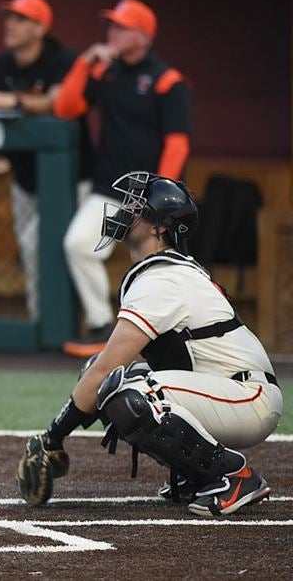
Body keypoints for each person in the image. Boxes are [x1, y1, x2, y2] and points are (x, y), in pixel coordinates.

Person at [17, 172, 281, 518]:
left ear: (159, 227)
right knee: (108, 382)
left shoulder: (164, 279)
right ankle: (196, 475)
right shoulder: (159, 272)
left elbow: (108, 367)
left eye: (138, 207)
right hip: (225, 389)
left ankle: (231, 474)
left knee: (128, 394)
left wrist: (53, 436)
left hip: (246, 396)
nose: (126, 211)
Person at [53, 0, 192, 357]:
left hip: (153, 195)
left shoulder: (167, 81)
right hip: (113, 190)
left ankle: (174, 339)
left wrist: (162, 197)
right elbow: (66, 107)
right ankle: (102, 326)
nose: (112, 33)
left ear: (144, 37)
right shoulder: (106, 71)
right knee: (79, 244)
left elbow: (177, 144)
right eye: (111, 26)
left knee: (163, 267)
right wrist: (85, 63)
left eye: (122, 27)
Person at [0, 0, 86, 319]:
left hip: (69, 178)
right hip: (24, 179)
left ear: (40, 28)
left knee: (48, 249)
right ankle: (42, 321)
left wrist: (9, 101)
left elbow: (57, 102)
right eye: (9, 18)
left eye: (20, 19)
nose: (10, 25)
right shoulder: (0, 66)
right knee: (31, 251)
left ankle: (60, 322)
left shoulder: (63, 60)